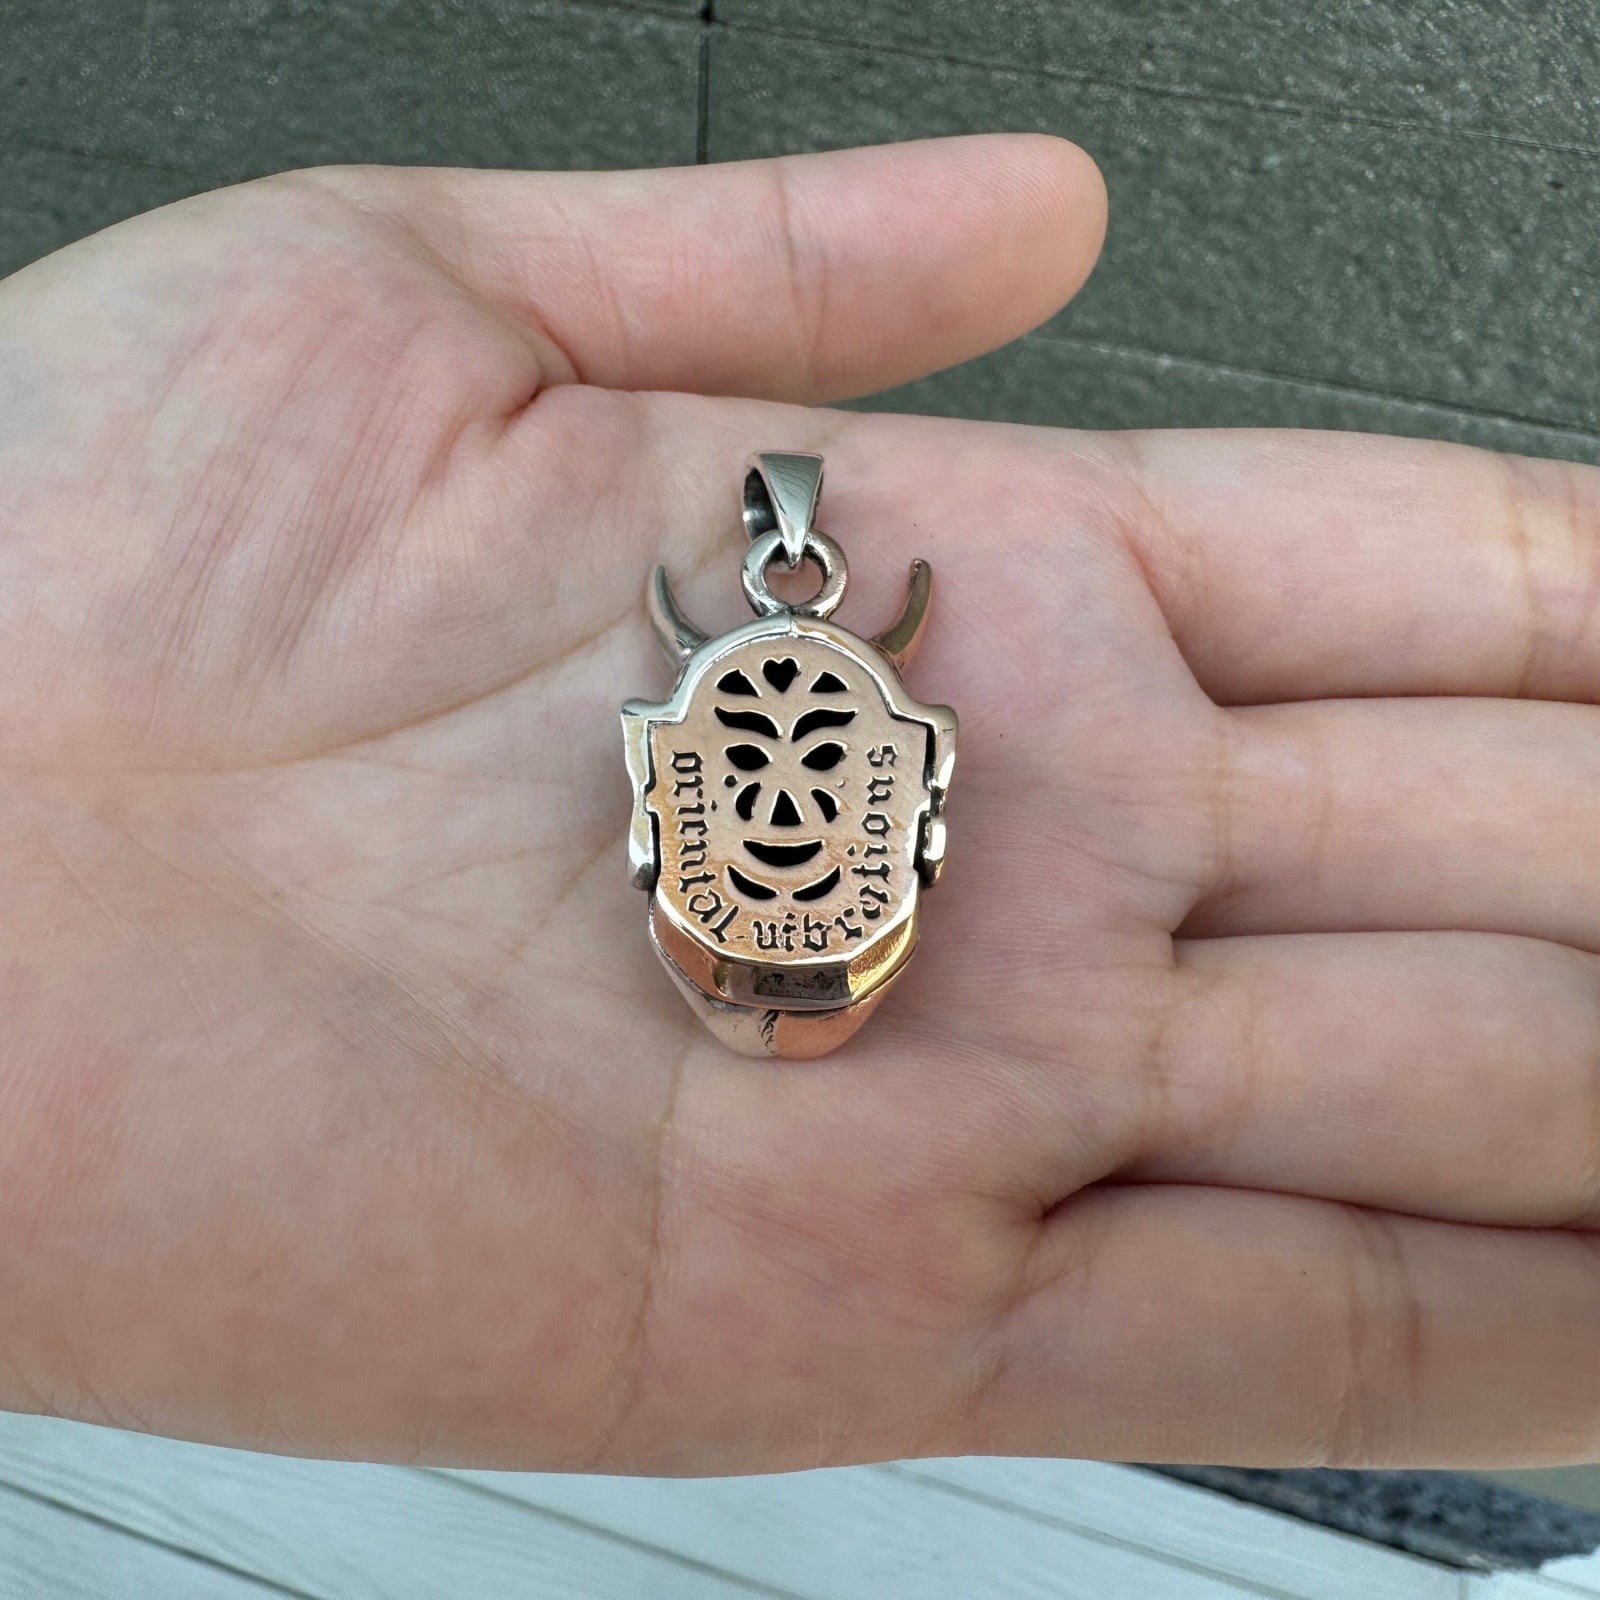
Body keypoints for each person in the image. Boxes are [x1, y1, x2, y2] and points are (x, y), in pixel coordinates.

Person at [0, 135, 1595, 1475]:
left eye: (824, 764)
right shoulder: (747, 755)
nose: (778, 793)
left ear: (918, 793)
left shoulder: (824, 758)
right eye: (742, 763)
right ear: (663, 784)